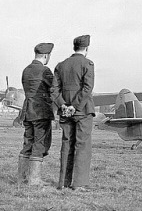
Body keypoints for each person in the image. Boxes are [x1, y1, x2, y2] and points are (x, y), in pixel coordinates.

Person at [51, 35, 95, 191]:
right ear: (86, 48)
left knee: (66, 144)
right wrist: (75, 106)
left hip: (65, 112)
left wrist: (63, 105)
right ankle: (79, 183)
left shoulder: (60, 65)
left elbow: (54, 90)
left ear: (74, 47)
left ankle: (63, 182)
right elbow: (87, 89)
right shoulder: (88, 64)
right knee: (82, 145)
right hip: (82, 111)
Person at [18, 43, 55, 185]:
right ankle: (34, 179)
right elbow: (53, 88)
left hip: (27, 111)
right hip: (40, 112)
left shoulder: (26, 70)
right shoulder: (45, 70)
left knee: (27, 143)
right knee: (40, 143)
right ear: (46, 56)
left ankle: (22, 178)